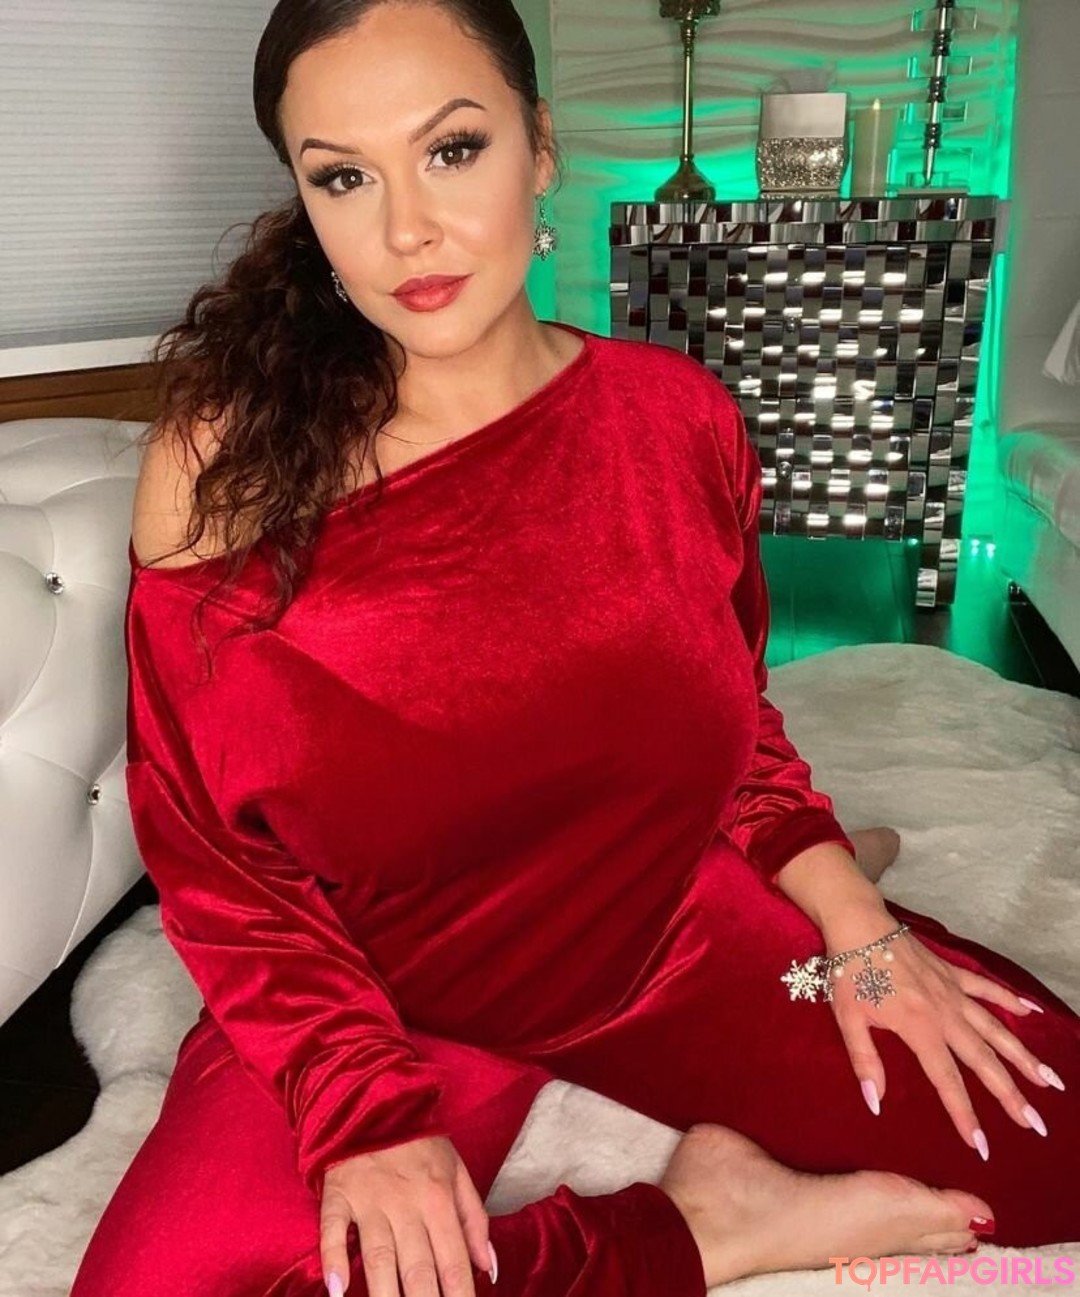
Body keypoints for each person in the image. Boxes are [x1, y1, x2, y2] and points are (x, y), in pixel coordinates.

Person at [71, 1, 1078, 1294]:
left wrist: (848, 916)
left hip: (657, 933)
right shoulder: (225, 468)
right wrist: (362, 1107)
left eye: (452, 150)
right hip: (367, 982)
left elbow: (736, 728)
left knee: (1053, 1146)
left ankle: (826, 865)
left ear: (539, 146)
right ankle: (720, 1224)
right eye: (344, 177)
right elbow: (213, 853)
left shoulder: (676, 423)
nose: (407, 229)